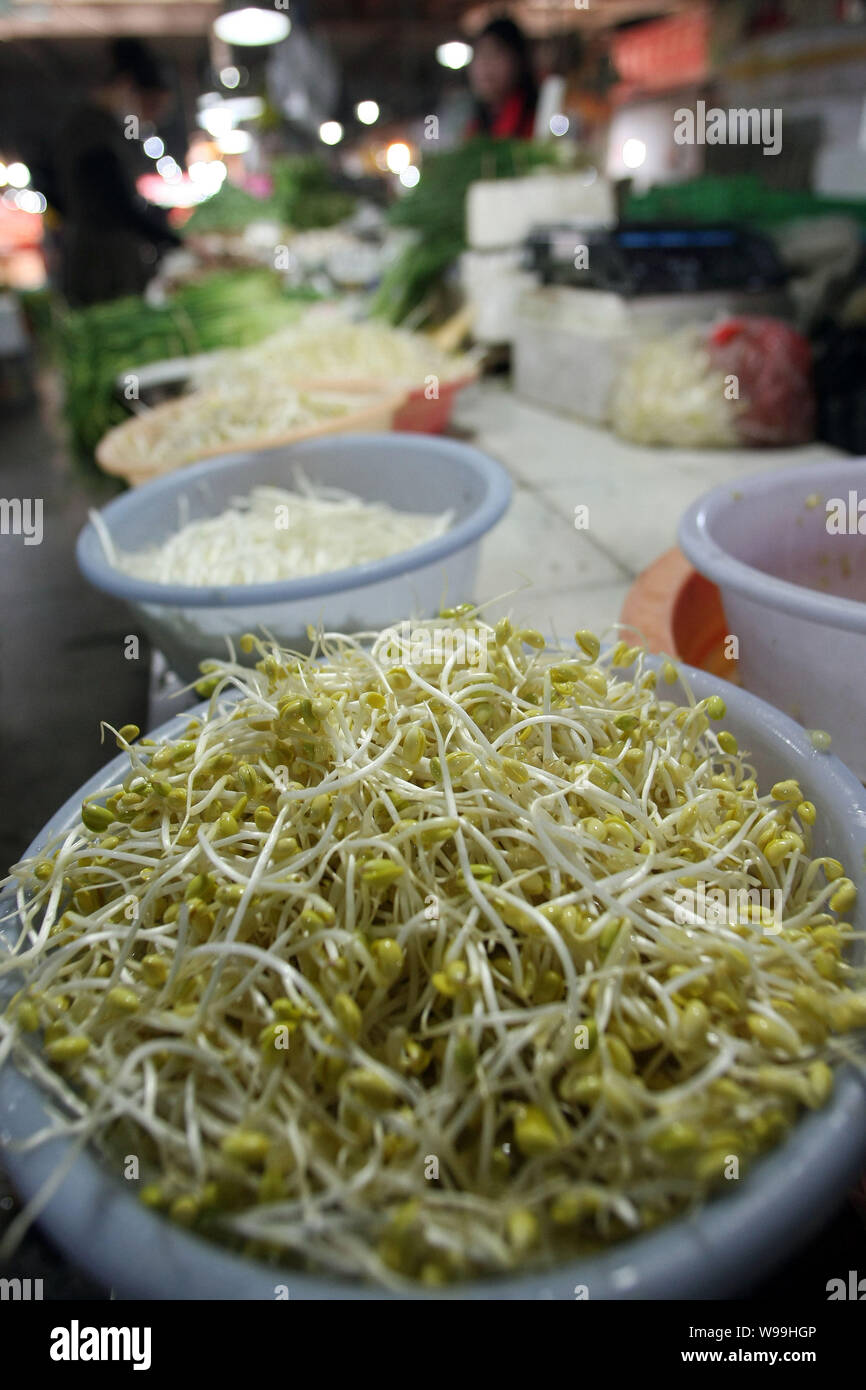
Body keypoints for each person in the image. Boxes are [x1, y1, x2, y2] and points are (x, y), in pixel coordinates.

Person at [55, 39, 181, 308]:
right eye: (150, 107)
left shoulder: (101, 128)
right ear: (126, 86)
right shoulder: (91, 132)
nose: (149, 119)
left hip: (104, 258)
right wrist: (176, 240)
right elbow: (116, 205)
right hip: (101, 268)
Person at [465, 17, 538, 141]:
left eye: (495, 54)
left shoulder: (538, 119)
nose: (485, 65)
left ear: (518, 61)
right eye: (479, 54)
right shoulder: (474, 124)